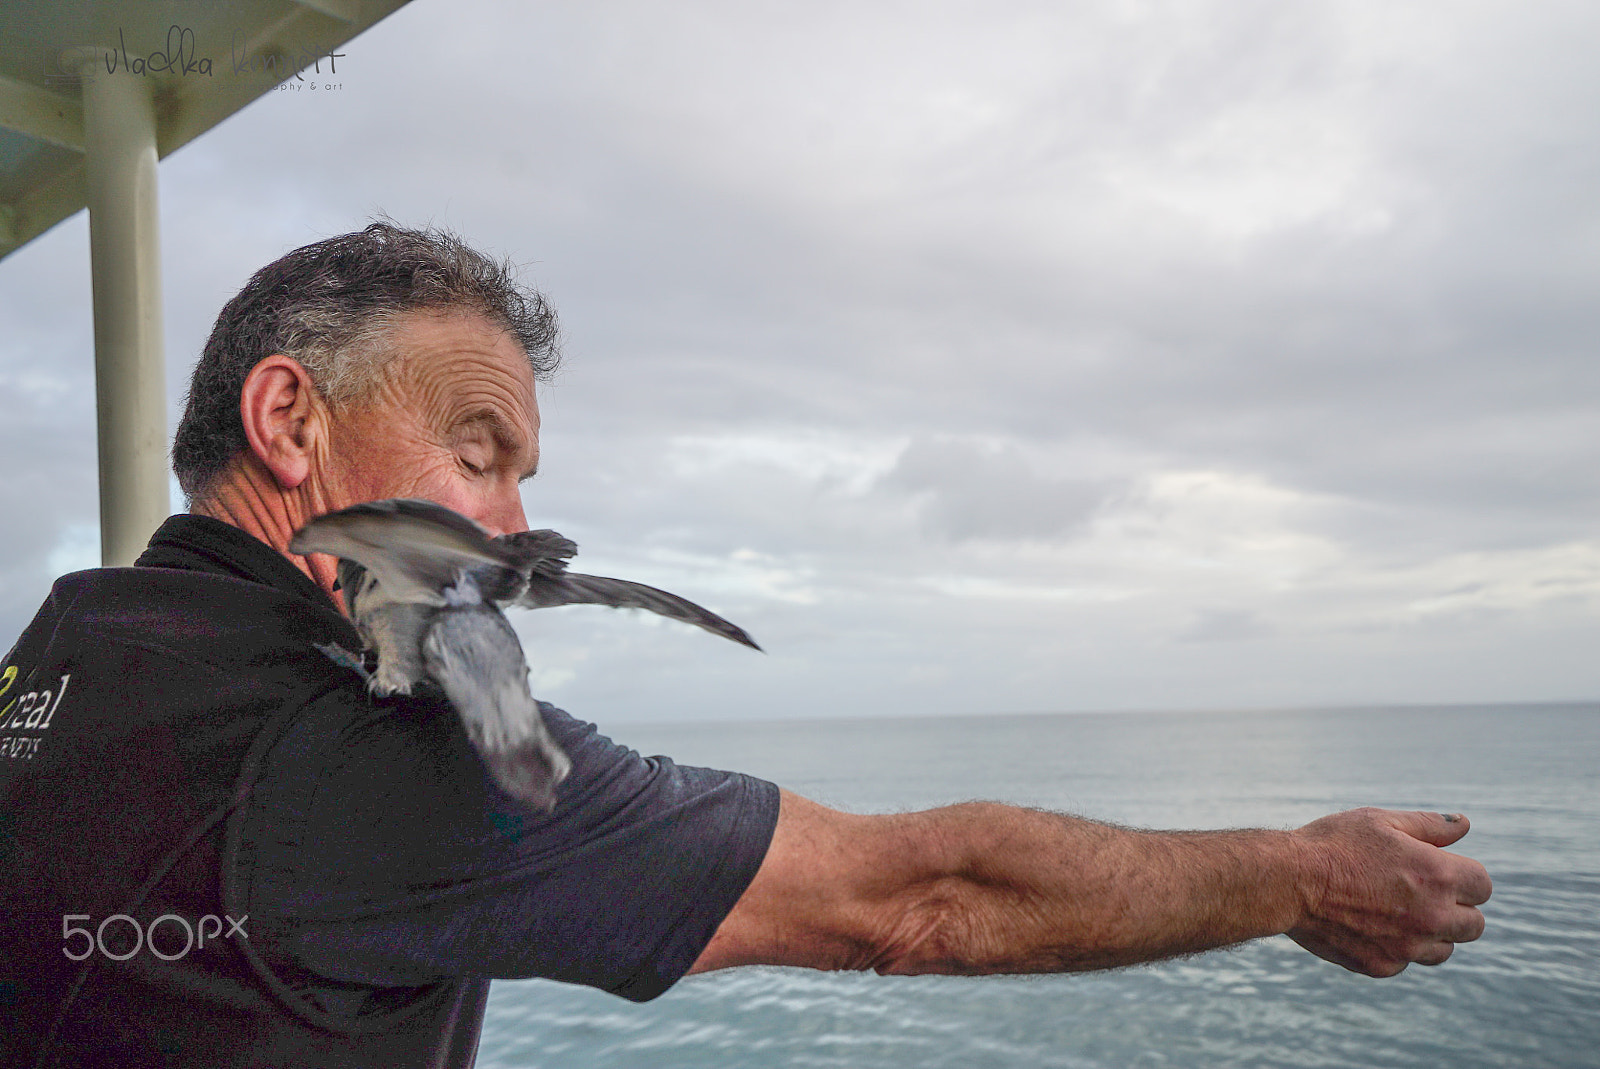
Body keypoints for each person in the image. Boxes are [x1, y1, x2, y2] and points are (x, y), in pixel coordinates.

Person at [0, 223, 1492, 1067]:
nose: (515, 523)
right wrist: (1300, 876)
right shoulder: (371, 763)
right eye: (478, 446)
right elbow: (917, 896)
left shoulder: (66, 650)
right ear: (289, 422)